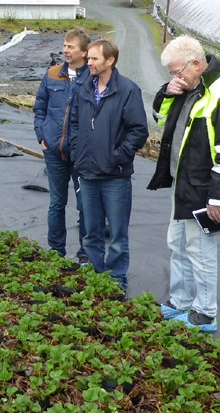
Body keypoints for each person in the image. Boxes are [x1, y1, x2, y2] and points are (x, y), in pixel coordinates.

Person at [147, 36, 220, 333]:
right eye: (171, 74)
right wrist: (167, 92)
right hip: (184, 184)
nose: (175, 77)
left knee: (200, 251)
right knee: (177, 244)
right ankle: (180, 302)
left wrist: (217, 197)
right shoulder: (189, 87)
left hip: (204, 190)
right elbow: (160, 116)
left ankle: (205, 313)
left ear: (195, 64)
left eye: (177, 72)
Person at [66, 39, 148, 292]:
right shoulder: (84, 88)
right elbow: (75, 124)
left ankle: (115, 282)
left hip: (115, 176)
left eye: (94, 59)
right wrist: (77, 150)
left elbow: (138, 130)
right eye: (88, 58)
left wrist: (117, 156)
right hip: (87, 172)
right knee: (90, 230)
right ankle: (93, 276)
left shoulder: (127, 90)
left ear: (110, 60)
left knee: (117, 235)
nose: (88, 63)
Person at [33, 28, 90, 264]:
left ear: (84, 52)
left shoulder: (92, 77)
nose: (65, 50)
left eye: (71, 47)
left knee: (85, 204)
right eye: (64, 45)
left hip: (82, 154)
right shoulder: (52, 74)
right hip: (54, 151)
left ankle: (86, 253)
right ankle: (56, 251)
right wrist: (41, 136)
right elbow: (40, 108)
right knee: (57, 202)